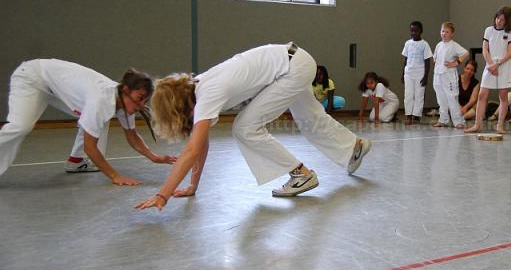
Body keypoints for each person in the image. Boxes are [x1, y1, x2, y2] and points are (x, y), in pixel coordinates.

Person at [135, 43, 372, 210]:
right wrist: (192, 186)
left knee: (244, 127)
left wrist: (162, 195)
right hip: (295, 60)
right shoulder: (201, 85)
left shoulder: (207, 94)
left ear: (177, 106)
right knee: (310, 120)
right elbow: (201, 145)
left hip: (291, 67)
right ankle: (354, 147)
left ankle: (301, 174)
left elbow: (192, 150)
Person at [0, 59, 176, 184]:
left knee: (96, 119)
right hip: (32, 76)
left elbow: (132, 136)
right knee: (21, 127)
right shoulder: (101, 100)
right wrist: (115, 176)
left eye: (144, 101)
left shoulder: (122, 101)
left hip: (53, 86)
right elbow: (90, 147)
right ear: (125, 90)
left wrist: (154, 157)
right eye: (139, 98)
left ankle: (76, 162)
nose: (140, 105)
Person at [465, 6, 511, 134]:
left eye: (503, 20)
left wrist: (497, 64)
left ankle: (500, 125)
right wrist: (491, 65)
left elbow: (509, 53)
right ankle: (478, 125)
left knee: (503, 96)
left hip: (503, 65)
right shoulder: (488, 30)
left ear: (508, 21)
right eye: (498, 17)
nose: (499, 21)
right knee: (482, 95)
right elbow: (485, 49)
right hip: (490, 65)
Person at [432, 22, 469, 129]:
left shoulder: (453, 45)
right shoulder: (439, 45)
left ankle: (458, 121)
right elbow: (435, 58)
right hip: (438, 75)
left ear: (452, 33)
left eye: (447, 32)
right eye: (443, 31)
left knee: (452, 98)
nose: (444, 33)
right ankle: (443, 119)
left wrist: (456, 63)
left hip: (449, 76)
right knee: (441, 98)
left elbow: (465, 53)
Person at [401, 21, 432, 124]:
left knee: (419, 95)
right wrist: (403, 73)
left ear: (421, 31)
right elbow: (405, 60)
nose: (414, 33)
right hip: (408, 73)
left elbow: (427, 62)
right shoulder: (408, 43)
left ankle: (417, 116)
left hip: (420, 74)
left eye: (416, 31)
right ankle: (408, 115)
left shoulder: (425, 44)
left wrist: (425, 76)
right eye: (412, 30)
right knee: (408, 95)